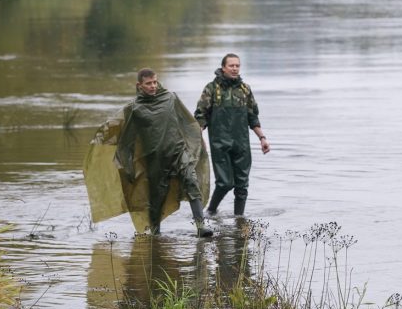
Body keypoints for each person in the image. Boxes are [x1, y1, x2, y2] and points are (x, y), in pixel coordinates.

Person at [85, 69, 213, 237]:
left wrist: (198, 139)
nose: (153, 86)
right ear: (140, 85)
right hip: (154, 159)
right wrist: (103, 143)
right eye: (148, 83)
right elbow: (125, 136)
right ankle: (155, 232)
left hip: (178, 151)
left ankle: (201, 226)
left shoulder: (170, 98)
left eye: (154, 82)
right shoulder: (134, 108)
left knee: (191, 181)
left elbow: (187, 122)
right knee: (156, 198)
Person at [194, 53, 269, 216]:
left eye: (237, 66)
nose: (235, 69)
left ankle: (239, 221)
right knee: (225, 183)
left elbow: (252, 116)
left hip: (241, 144)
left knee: (242, 185)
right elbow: (201, 116)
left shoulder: (245, 89)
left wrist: (262, 138)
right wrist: (199, 139)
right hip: (220, 145)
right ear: (223, 68)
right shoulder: (211, 89)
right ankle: (211, 211)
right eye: (231, 66)